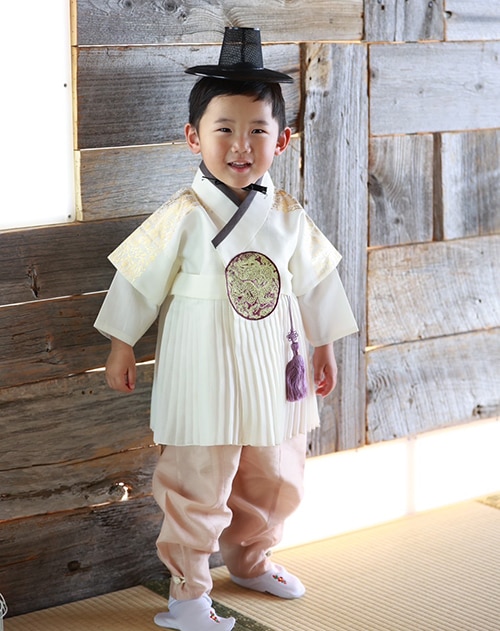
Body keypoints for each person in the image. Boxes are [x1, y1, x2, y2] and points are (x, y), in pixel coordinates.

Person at [94, 26, 358, 631]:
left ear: (282, 140)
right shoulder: (183, 215)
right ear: (194, 137)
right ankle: (188, 593)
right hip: (201, 362)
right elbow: (137, 280)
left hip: (276, 361)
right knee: (197, 478)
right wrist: (121, 343)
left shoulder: (288, 215)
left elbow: (317, 283)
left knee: (276, 470)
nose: (242, 146)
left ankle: (251, 557)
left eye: (258, 131)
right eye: (224, 130)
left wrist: (323, 345)